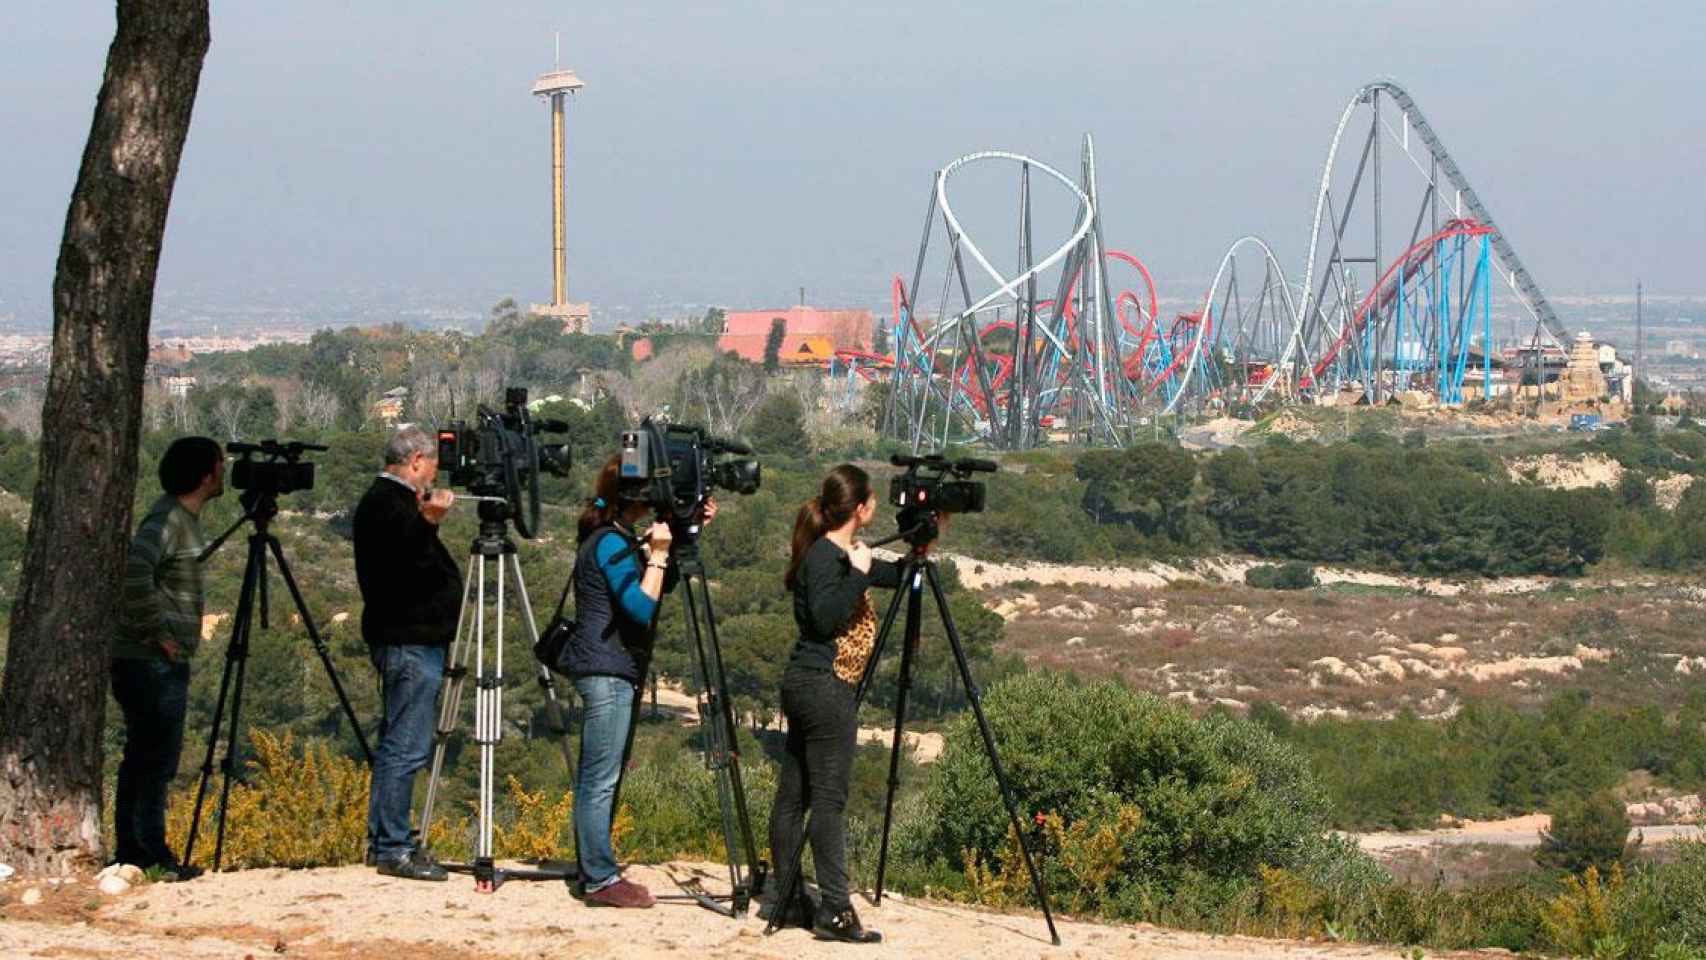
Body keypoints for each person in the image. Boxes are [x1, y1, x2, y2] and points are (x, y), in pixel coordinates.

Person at [561, 454, 716, 908]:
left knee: (599, 775)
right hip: (606, 670)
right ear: (635, 497)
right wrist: (661, 553)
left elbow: (658, 584)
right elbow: (642, 607)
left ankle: (594, 868)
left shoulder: (611, 538)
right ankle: (600, 878)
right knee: (600, 779)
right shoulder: (609, 543)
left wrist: (687, 531)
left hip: (607, 667)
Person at [767, 464, 900, 944]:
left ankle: (785, 899)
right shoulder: (827, 556)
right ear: (860, 508)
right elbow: (826, 618)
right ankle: (836, 911)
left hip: (804, 684)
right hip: (825, 686)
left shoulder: (832, 552)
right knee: (827, 801)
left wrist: (921, 548)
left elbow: (880, 573)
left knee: (794, 796)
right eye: (873, 502)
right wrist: (860, 576)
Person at [112, 436, 226, 881]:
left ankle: (141, 850)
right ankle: (143, 853)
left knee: (151, 755)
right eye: (220, 465)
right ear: (206, 474)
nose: (224, 471)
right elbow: (134, 570)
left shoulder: (179, 518)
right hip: (148, 660)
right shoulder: (168, 520)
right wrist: (157, 634)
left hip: (151, 658)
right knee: (152, 758)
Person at [353, 425, 460, 881]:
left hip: (412, 639)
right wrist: (430, 521)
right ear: (416, 461)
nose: (435, 472)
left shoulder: (389, 502)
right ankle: (393, 846)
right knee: (406, 745)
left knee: (399, 741)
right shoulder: (387, 504)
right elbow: (399, 562)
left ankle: (386, 839)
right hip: (408, 641)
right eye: (433, 463)